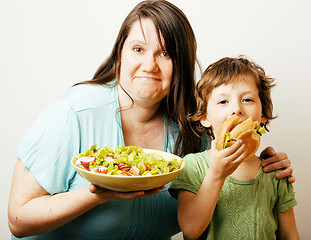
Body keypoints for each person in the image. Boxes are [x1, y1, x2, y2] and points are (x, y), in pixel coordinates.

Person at [8, 1, 294, 239]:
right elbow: (18, 220)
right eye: (137, 49)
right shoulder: (73, 113)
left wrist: (266, 164)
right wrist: (98, 194)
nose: (150, 65)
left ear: (181, 62)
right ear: (120, 53)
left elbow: (226, 182)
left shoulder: (196, 129)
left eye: (166, 53)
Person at [169, 56, 299, 239]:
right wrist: (216, 173)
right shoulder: (192, 166)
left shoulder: (275, 172)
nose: (237, 109)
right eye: (223, 102)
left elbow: (290, 235)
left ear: (263, 115)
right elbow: (190, 230)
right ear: (204, 117)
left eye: (247, 99)